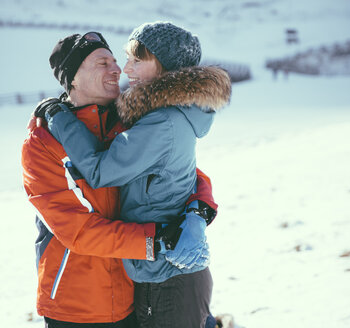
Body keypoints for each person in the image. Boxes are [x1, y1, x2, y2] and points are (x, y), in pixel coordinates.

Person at [22, 31, 218, 327]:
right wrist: (160, 239)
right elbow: (79, 231)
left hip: (133, 293)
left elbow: (185, 171)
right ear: (73, 78)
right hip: (77, 306)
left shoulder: (129, 122)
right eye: (103, 62)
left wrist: (198, 212)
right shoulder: (43, 140)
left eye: (117, 60)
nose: (117, 69)